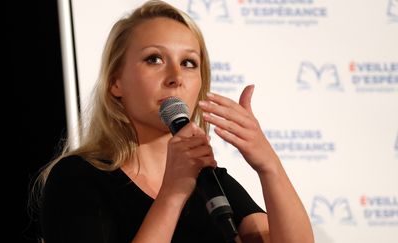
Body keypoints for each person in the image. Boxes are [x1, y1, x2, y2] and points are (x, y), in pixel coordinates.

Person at [29, 0, 314, 242]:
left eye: (189, 63)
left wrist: (269, 166)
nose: (176, 77)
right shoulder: (77, 178)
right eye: (154, 59)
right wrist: (172, 195)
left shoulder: (212, 183)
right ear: (116, 82)